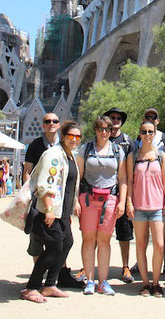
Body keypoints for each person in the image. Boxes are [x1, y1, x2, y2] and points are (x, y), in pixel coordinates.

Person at [21, 120, 82, 303]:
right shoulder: (54, 154)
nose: (74, 139)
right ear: (63, 136)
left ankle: (50, 284)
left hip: (62, 211)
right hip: (49, 210)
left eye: (78, 137)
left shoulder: (69, 155)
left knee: (67, 242)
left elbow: (70, 184)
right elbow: (45, 183)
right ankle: (31, 287)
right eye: (71, 136)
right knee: (55, 246)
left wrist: (75, 203)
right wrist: (48, 209)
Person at [77, 115, 127, 296]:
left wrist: (122, 201)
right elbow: (78, 175)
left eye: (107, 129)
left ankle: (103, 281)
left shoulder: (117, 150)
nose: (104, 132)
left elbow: (122, 178)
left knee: (104, 240)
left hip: (110, 199)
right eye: (100, 129)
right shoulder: (86, 149)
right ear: (95, 130)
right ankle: (90, 280)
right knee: (88, 239)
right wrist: (75, 199)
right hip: (89, 198)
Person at [127, 119, 165, 297]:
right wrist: (129, 202)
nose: (147, 135)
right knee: (140, 244)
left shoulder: (161, 156)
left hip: (156, 206)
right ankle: (145, 283)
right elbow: (129, 181)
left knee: (159, 245)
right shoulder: (133, 156)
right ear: (139, 133)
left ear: (155, 134)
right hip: (139, 206)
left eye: (150, 132)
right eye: (143, 132)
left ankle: (156, 282)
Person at [141, 108, 165, 277]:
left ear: (158, 120)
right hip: (144, 189)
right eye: (148, 117)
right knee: (145, 230)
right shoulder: (139, 139)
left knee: (163, 228)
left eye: (153, 117)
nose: (151, 119)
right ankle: (142, 262)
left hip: (161, 186)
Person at [103, 106, 135, 283]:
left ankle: (125, 266)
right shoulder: (101, 139)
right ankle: (94, 266)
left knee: (124, 232)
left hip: (121, 192)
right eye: (112, 118)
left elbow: (130, 173)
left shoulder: (127, 142)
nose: (115, 121)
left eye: (118, 118)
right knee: (100, 231)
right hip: (103, 193)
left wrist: (128, 199)